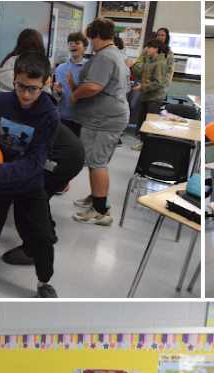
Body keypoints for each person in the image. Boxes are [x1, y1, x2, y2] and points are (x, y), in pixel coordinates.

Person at [0, 52, 60, 297]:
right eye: (20, 86)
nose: (26, 94)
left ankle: (44, 282)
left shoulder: (49, 115)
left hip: (28, 182)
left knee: (42, 236)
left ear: (45, 83)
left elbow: (34, 161)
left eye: (33, 88)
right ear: (14, 78)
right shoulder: (0, 101)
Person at [71, 18, 130, 226]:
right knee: (97, 162)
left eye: (90, 39)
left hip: (103, 120)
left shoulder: (104, 56)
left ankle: (99, 210)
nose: (90, 43)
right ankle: (97, 197)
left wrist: (75, 95)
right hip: (108, 117)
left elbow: (93, 86)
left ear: (96, 36)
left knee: (97, 164)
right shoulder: (113, 53)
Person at [128, 39, 170, 151]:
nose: (147, 49)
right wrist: (132, 67)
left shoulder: (160, 63)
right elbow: (142, 75)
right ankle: (142, 142)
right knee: (142, 121)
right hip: (146, 97)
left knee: (150, 123)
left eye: (149, 47)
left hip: (154, 98)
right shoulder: (149, 61)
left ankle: (148, 145)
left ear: (156, 49)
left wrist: (143, 87)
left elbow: (158, 83)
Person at [53, 32, 88, 138]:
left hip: (80, 117)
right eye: (70, 43)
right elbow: (59, 95)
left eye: (77, 43)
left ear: (84, 49)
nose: (73, 45)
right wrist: (59, 91)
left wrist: (74, 86)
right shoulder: (61, 68)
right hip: (63, 114)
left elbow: (87, 92)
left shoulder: (88, 67)